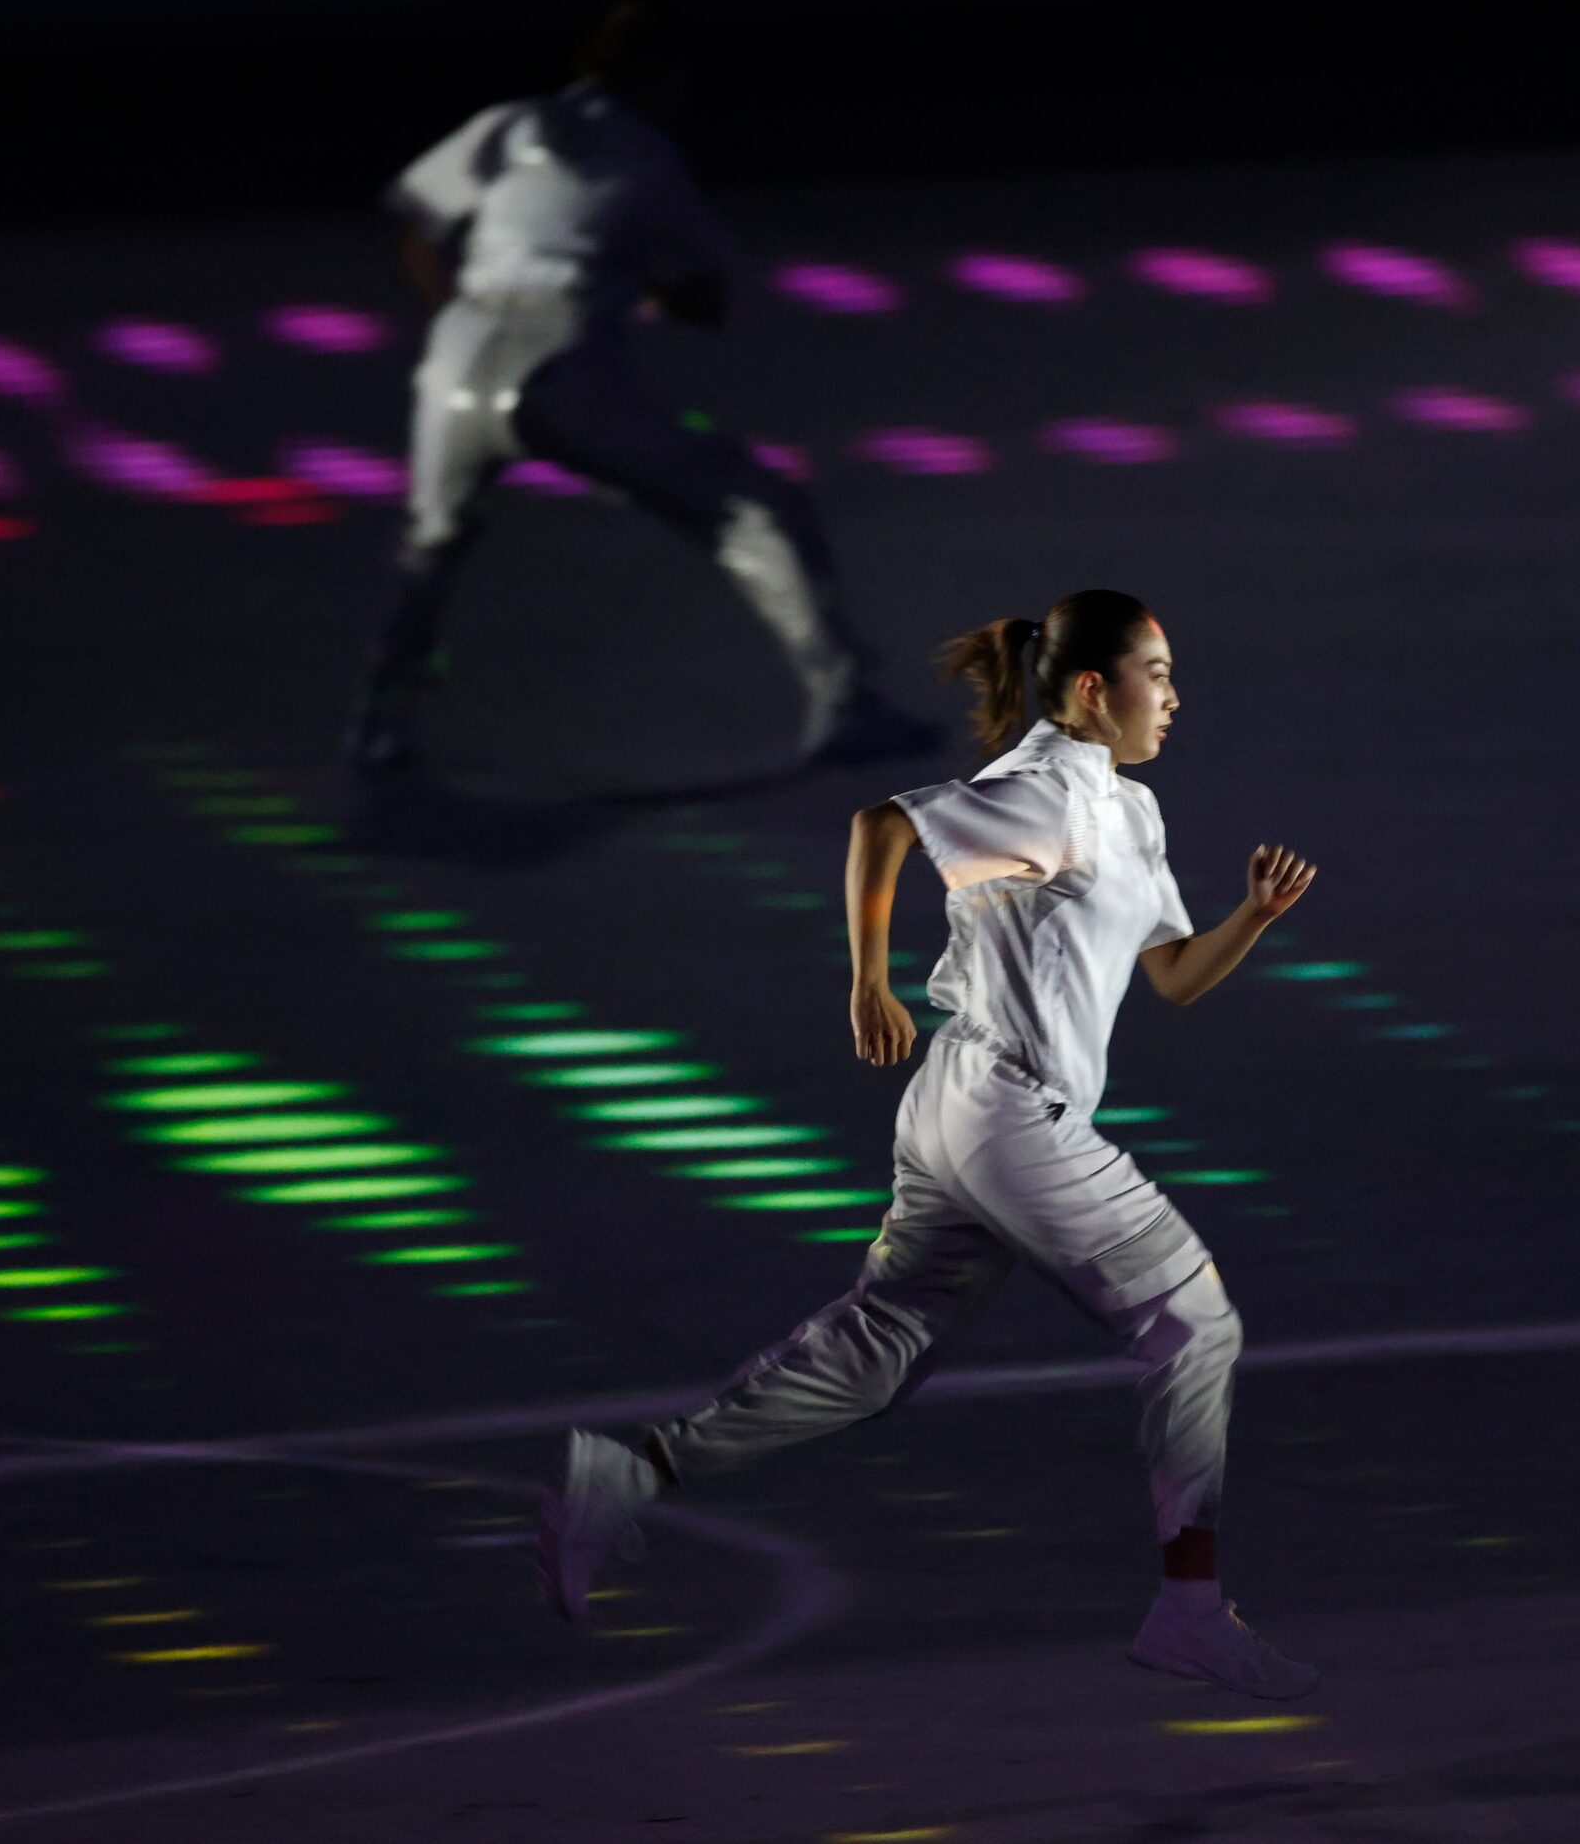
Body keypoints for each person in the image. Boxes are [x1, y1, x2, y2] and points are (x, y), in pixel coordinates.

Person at [534, 588, 1323, 1699]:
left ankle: (626, 1473)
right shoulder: (1042, 791)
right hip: (1010, 1113)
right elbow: (881, 827)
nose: (1174, 695)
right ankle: (1191, 1611)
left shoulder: (1130, 812)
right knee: (1197, 1326)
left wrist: (1252, 919)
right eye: (1155, 672)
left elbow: (1174, 978)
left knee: (877, 1354)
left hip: (960, 1114)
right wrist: (867, 979)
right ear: (1092, 690)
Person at [345, 0, 937, 773]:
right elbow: (706, 300)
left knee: (430, 544)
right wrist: (642, 281)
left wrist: (454, 322)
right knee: (751, 506)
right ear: (664, 79)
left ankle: (377, 725)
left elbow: (422, 229)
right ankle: (844, 701)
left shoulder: (509, 122)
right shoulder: (648, 156)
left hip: (458, 350)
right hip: (561, 360)